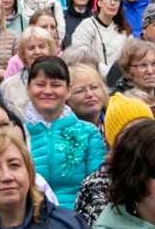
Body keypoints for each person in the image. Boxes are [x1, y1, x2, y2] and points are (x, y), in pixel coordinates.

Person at [23, 56, 105, 208]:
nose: (47, 91)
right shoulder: (18, 134)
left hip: (77, 221)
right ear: (28, 89)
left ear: (68, 91)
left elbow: (97, 190)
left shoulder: (88, 133)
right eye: (40, 84)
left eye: (56, 85)